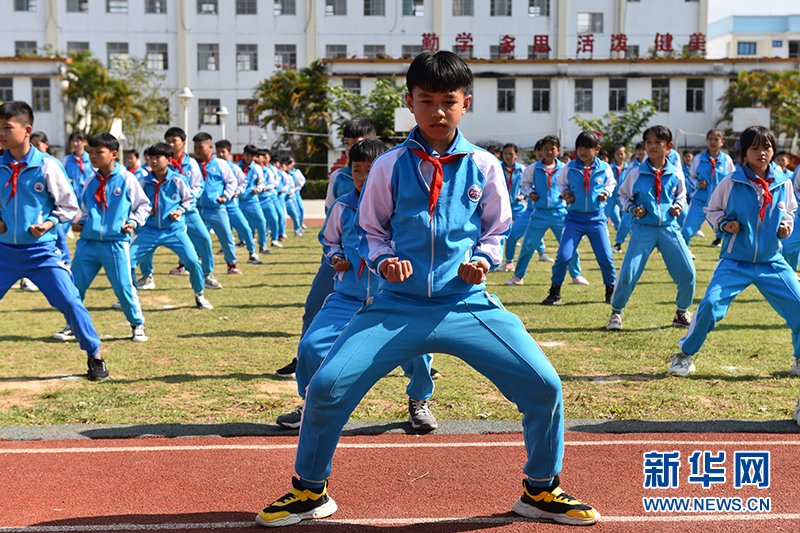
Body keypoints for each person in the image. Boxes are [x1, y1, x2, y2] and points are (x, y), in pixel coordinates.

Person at [255, 50, 599, 528]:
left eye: (448, 101)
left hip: (466, 304)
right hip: (396, 305)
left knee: (544, 385)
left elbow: (496, 230)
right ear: (409, 103)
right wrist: (383, 261)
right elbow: (372, 229)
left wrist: (483, 261)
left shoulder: (484, 165)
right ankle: (310, 490)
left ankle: (540, 488)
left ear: (466, 104)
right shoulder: (389, 165)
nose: (437, 111)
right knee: (327, 387)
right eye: (426, 100)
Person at [275, 139, 437, 432]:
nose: (363, 176)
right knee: (311, 346)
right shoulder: (342, 206)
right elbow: (329, 240)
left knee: (418, 348)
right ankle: (310, 403)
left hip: (395, 297)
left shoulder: (401, 207)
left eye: (369, 169)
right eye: (357, 170)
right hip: (348, 296)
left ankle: (419, 400)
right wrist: (336, 257)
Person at [668, 126, 800, 377]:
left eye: (767, 146)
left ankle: (799, 358)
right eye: (755, 147)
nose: (762, 152)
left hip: (771, 261)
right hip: (735, 261)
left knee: (799, 304)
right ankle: (685, 355)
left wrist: (786, 226)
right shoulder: (731, 182)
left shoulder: (783, 182)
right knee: (709, 306)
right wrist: (724, 224)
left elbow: (789, 211)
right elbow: (712, 210)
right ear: (743, 153)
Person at [0, 101, 108, 381]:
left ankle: (95, 356)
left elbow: (69, 206)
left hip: (42, 252)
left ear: (26, 130)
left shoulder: (47, 166)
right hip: (4, 253)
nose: (0, 133)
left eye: (5, 128)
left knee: (71, 302)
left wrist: (47, 223)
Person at [275, 118, 379, 379]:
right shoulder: (339, 177)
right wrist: (336, 255)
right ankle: (303, 358)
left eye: (358, 143)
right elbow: (332, 214)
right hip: (341, 258)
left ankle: (415, 365)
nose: (350, 148)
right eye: (346, 143)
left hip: (378, 268)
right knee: (314, 306)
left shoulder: (388, 180)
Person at [606, 126, 695, 330]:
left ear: (669, 146)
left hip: (669, 228)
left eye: (658, 142)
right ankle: (616, 313)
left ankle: (682, 312)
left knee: (688, 272)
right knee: (629, 273)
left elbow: (681, 195)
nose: (652, 146)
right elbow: (622, 194)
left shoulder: (675, 173)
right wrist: (631, 208)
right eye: (649, 142)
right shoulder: (635, 172)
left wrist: (678, 206)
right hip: (642, 229)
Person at [69, 133, 151, 342]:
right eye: (91, 153)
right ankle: (72, 324)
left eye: (99, 152)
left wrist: (133, 222)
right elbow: (86, 210)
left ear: (114, 154)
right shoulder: (90, 181)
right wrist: (81, 222)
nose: (93, 157)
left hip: (115, 243)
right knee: (74, 285)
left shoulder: (127, 179)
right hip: (88, 243)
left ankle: (137, 323)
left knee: (123, 286)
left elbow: (143, 206)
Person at [129, 142, 214, 311]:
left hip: (174, 230)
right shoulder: (143, 182)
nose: (153, 161)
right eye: (151, 158)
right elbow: (135, 203)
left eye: (157, 158)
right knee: (128, 262)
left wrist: (180, 210)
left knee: (192, 261)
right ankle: (130, 297)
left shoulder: (177, 180)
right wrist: (143, 214)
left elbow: (189, 200)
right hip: (150, 230)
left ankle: (199, 294)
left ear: (168, 160)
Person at [541, 130, 616, 306]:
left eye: (587, 148)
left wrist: (606, 192)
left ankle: (610, 290)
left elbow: (611, 183)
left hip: (596, 219)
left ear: (596, 149)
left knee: (605, 257)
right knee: (564, 256)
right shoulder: (570, 167)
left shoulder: (604, 168)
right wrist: (566, 194)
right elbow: (561, 183)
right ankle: (555, 292)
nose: (583, 152)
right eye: (580, 148)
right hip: (574, 219)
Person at [505, 135, 585, 286]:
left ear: (558, 151)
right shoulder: (533, 168)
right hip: (539, 212)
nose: (549, 152)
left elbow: (572, 184)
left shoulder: (565, 168)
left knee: (569, 244)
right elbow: (525, 184)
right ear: (541, 151)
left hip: (559, 212)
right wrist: (530, 193)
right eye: (545, 149)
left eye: (552, 149)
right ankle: (518, 277)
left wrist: (567, 194)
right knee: (528, 244)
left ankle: (576, 275)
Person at [193, 131, 251, 273]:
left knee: (226, 237)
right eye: (195, 147)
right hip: (197, 210)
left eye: (201, 147)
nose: (197, 151)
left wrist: (225, 196)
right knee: (196, 237)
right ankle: (193, 263)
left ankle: (232, 265)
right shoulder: (192, 164)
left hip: (216, 209)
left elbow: (232, 181)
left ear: (210, 147)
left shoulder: (220, 164)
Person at [682, 129, 735, 248]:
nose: (713, 142)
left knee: (726, 231)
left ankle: (728, 257)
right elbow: (690, 177)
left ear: (722, 142)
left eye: (716, 139)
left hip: (719, 204)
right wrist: (698, 184)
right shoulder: (699, 159)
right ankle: (684, 254)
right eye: (710, 139)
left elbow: (732, 180)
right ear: (707, 141)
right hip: (700, 202)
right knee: (686, 230)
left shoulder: (726, 160)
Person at [612, 142, 645, 254]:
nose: (641, 152)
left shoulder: (650, 164)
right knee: (626, 220)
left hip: (646, 198)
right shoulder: (632, 166)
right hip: (631, 197)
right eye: (639, 150)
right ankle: (618, 243)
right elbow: (628, 181)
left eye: (643, 150)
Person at [500, 143, 527, 272]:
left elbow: (528, 186)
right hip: (502, 207)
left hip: (518, 207)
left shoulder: (522, 169)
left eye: (511, 153)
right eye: (506, 153)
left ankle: (541, 252)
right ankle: (506, 261)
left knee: (530, 230)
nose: (508, 156)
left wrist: (523, 195)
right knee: (500, 234)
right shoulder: (498, 168)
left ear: (516, 155)